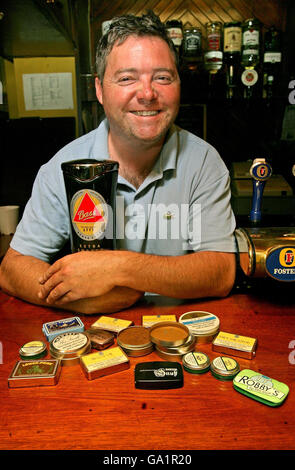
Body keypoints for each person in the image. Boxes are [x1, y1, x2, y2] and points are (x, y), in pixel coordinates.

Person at [0, 11, 236, 314]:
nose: (148, 93)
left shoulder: (204, 161)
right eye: (127, 78)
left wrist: (119, 268)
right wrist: (81, 299)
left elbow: (221, 272)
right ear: (99, 90)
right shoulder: (63, 166)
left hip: (177, 333)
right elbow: (13, 269)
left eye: (162, 77)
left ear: (179, 84)